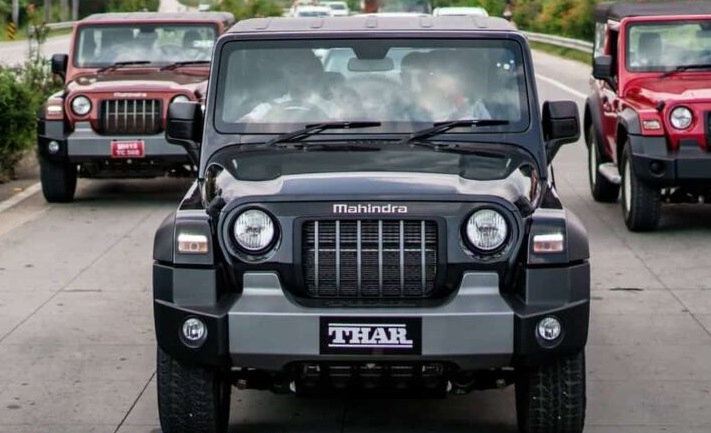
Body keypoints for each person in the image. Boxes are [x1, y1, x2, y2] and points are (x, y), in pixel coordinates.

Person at [239, 50, 339, 123]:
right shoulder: (269, 106)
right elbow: (244, 123)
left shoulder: (330, 107)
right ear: (285, 75)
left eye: (307, 71)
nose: (301, 77)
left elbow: (344, 127)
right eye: (294, 71)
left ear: (316, 74)